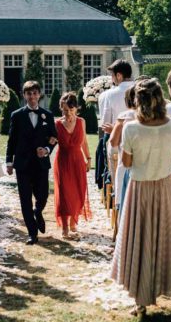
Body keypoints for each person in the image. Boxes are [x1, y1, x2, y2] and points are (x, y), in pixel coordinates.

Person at [111, 78, 171, 319]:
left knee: (141, 240)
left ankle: (141, 302)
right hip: (165, 188)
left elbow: (126, 163)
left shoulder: (132, 128)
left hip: (141, 189)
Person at [5, 80, 57, 245]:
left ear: (39, 95)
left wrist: (47, 150)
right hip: (22, 163)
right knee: (25, 198)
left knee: (42, 195)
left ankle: (38, 211)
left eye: (35, 93)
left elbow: (54, 138)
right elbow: (11, 140)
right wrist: (9, 161)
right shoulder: (16, 115)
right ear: (24, 95)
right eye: (29, 93)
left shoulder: (47, 115)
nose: (32, 96)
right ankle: (32, 233)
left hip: (41, 164)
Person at [53, 92, 92, 239]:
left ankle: (73, 222)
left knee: (77, 191)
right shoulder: (56, 124)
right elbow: (49, 141)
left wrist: (88, 158)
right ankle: (64, 227)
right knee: (64, 193)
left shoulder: (81, 122)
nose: (68, 113)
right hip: (62, 161)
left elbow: (84, 142)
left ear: (76, 108)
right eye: (64, 110)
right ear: (61, 109)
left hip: (77, 161)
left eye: (70, 110)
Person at [97, 60, 135, 189]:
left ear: (119, 75)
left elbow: (105, 122)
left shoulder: (110, 94)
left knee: (115, 169)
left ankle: (114, 191)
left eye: (112, 76)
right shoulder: (141, 89)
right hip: (139, 137)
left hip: (116, 137)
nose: (112, 79)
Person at [109, 86, 138, 219]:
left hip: (125, 165)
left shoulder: (124, 117)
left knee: (124, 206)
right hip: (143, 169)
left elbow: (113, 143)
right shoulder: (153, 118)